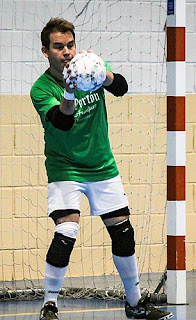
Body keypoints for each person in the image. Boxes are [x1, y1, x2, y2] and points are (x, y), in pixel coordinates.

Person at [30, 17, 173, 320]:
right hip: (65, 166)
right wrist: (69, 92)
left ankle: (135, 304)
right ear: (46, 51)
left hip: (101, 164)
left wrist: (102, 73)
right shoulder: (41, 89)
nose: (66, 52)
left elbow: (121, 88)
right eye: (58, 47)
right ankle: (50, 304)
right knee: (66, 230)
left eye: (70, 45)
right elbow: (64, 121)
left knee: (123, 231)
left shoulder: (89, 67)